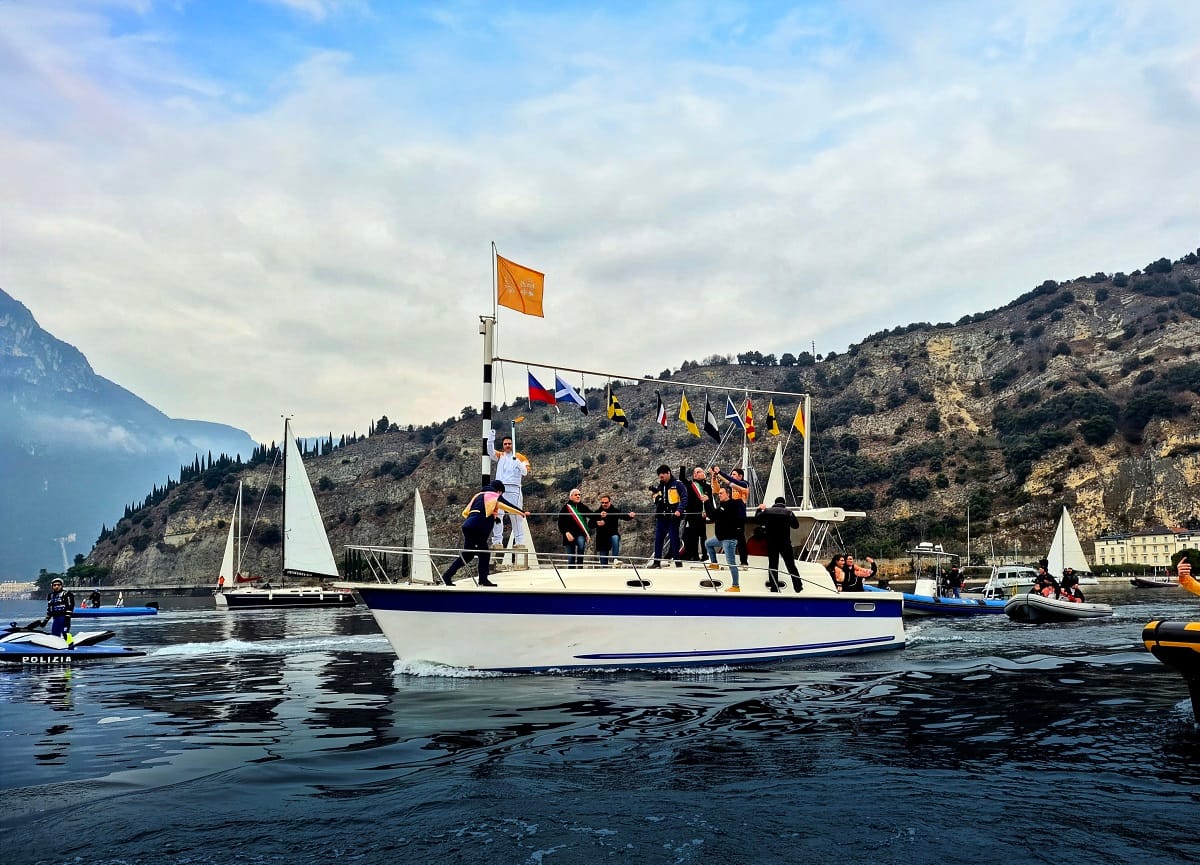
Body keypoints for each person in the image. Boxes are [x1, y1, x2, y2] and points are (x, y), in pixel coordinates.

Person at [441, 481, 527, 587]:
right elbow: (507, 506)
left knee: (467, 555)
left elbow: (467, 512)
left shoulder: (478, 496)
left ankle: (447, 576)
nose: (501, 495)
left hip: (468, 526)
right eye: (501, 493)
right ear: (499, 491)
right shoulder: (494, 495)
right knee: (484, 554)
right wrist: (522, 512)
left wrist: (492, 517)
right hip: (478, 528)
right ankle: (483, 580)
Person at [487, 429, 531, 550]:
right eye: (505, 444)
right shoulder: (500, 456)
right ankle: (497, 541)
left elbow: (526, 472)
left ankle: (519, 541)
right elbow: (490, 452)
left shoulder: (520, 457)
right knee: (498, 515)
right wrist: (491, 438)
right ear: (503, 445)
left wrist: (518, 463)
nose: (507, 446)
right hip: (499, 489)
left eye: (509, 444)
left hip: (514, 489)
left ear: (513, 444)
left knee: (516, 515)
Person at [754, 497, 802, 593]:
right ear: (784, 504)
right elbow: (796, 526)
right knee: (791, 565)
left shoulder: (767, 511)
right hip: (785, 543)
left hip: (772, 542)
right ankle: (797, 586)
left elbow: (757, 520)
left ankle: (774, 587)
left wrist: (759, 509)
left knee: (773, 565)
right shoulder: (788, 512)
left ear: (775, 503)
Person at [705, 485, 745, 591]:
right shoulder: (722, 505)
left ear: (728, 494)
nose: (719, 495)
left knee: (731, 563)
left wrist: (707, 502)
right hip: (720, 538)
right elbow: (714, 515)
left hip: (729, 539)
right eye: (719, 493)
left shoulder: (731, 505)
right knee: (708, 543)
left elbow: (714, 515)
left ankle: (736, 586)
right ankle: (714, 564)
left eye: (721, 493)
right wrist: (706, 504)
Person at [649, 464, 688, 568]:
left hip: (672, 517)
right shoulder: (661, 486)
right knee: (658, 539)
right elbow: (656, 498)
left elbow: (684, 498)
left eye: (662, 476)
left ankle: (677, 561)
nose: (661, 479)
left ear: (668, 473)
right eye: (659, 477)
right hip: (661, 516)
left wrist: (679, 510)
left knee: (674, 539)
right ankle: (656, 562)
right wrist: (656, 498)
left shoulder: (678, 484)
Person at [712, 465, 750, 565]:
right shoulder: (729, 488)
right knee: (728, 536)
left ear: (740, 476)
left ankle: (744, 561)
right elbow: (717, 490)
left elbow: (732, 482)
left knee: (740, 538)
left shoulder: (744, 484)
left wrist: (720, 473)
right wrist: (714, 477)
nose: (732, 476)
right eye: (731, 474)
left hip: (739, 516)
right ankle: (730, 559)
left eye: (734, 474)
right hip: (730, 516)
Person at [591, 494, 635, 566]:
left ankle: (615, 559)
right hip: (602, 539)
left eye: (606, 502)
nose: (604, 504)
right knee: (603, 563)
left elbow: (624, 516)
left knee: (615, 537)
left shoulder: (614, 511)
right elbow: (590, 524)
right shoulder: (597, 512)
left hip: (612, 534)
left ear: (610, 502)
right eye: (602, 502)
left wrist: (630, 516)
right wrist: (597, 523)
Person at [681, 467, 713, 561]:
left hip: (702, 515)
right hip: (692, 515)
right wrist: (683, 467)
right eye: (698, 472)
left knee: (703, 536)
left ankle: (705, 554)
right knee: (693, 537)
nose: (701, 473)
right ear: (694, 475)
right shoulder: (690, 485)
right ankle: (695, 556)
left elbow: (709, 500)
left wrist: (708, 512)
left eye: (702, 471)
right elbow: (682, 478)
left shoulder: (707, 486)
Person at [558, 489, 593, 568]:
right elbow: (560, 524)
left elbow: (592, 515)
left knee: (581, 544)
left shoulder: (582, 507)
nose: (578, 496)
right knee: (571, 558)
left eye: (579, 495)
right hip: (568, 535)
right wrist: (566, 532)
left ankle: (580, 567)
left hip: (580, 533)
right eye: (576, 495)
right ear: (570, 497)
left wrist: (601, 514)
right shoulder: (565, 509)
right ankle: (571, 574)